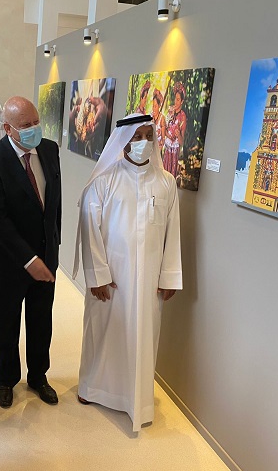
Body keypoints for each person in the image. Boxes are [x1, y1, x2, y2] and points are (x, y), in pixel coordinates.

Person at [73, 113, 182, 432]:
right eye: (136, 136)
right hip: (112, 279)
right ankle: (93, 388)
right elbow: (89, 229)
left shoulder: (166, 182)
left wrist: (168, 277)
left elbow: (173, 231)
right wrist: (98, 276)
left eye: (148, 136)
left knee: (143, 335)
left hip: (148, 281)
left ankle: (137, 400)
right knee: (103, 331)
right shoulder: (104, 180)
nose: (143, 142)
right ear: (123, 141)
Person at [0, 96, 62, 409]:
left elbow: (54, 202)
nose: (34, 129)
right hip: (8, 261)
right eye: (26, 125)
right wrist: (28, 260)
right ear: (8, 128)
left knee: (41, 320)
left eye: (36, 122)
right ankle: (6, 379)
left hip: (46, 254)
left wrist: (54, 243)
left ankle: (38, 376)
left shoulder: (49, 149)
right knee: (6, 323)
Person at [163, 82, 187, 178]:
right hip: (167, 148)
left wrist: (178, 135)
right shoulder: (170, 111)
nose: (176, 102)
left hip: (175, 152)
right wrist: (168, 135)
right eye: (175, 99)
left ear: (182, 101)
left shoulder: (183, 116)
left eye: (178, 99)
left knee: (171, 175)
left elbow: (182, 142)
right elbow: (164, 130)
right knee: (164, 172)